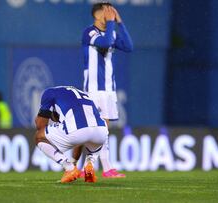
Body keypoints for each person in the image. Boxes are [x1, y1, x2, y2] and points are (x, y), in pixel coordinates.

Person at [74, 2, 133, 178]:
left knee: (102, 131)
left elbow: (129, 47)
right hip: (93, 91)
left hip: (108, 91)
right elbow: (106, 44)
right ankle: (86, 167)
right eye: (107, 11)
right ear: (98, 15)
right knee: (95, 131)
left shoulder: (111, 32)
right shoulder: (89, 32)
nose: (111, 14)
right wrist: (112, 23)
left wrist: (120, 22)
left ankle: (93, 168)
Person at [34, 86, 108, 183]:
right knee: (89, 138)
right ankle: (89, 163)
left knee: (39, 136)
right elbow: (82, 138)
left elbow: (40, 125)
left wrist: (43, 117)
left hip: (77, 131)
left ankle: (68, 168)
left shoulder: (49, 92)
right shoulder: (83, 93)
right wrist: (74, 162)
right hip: (101, 133)